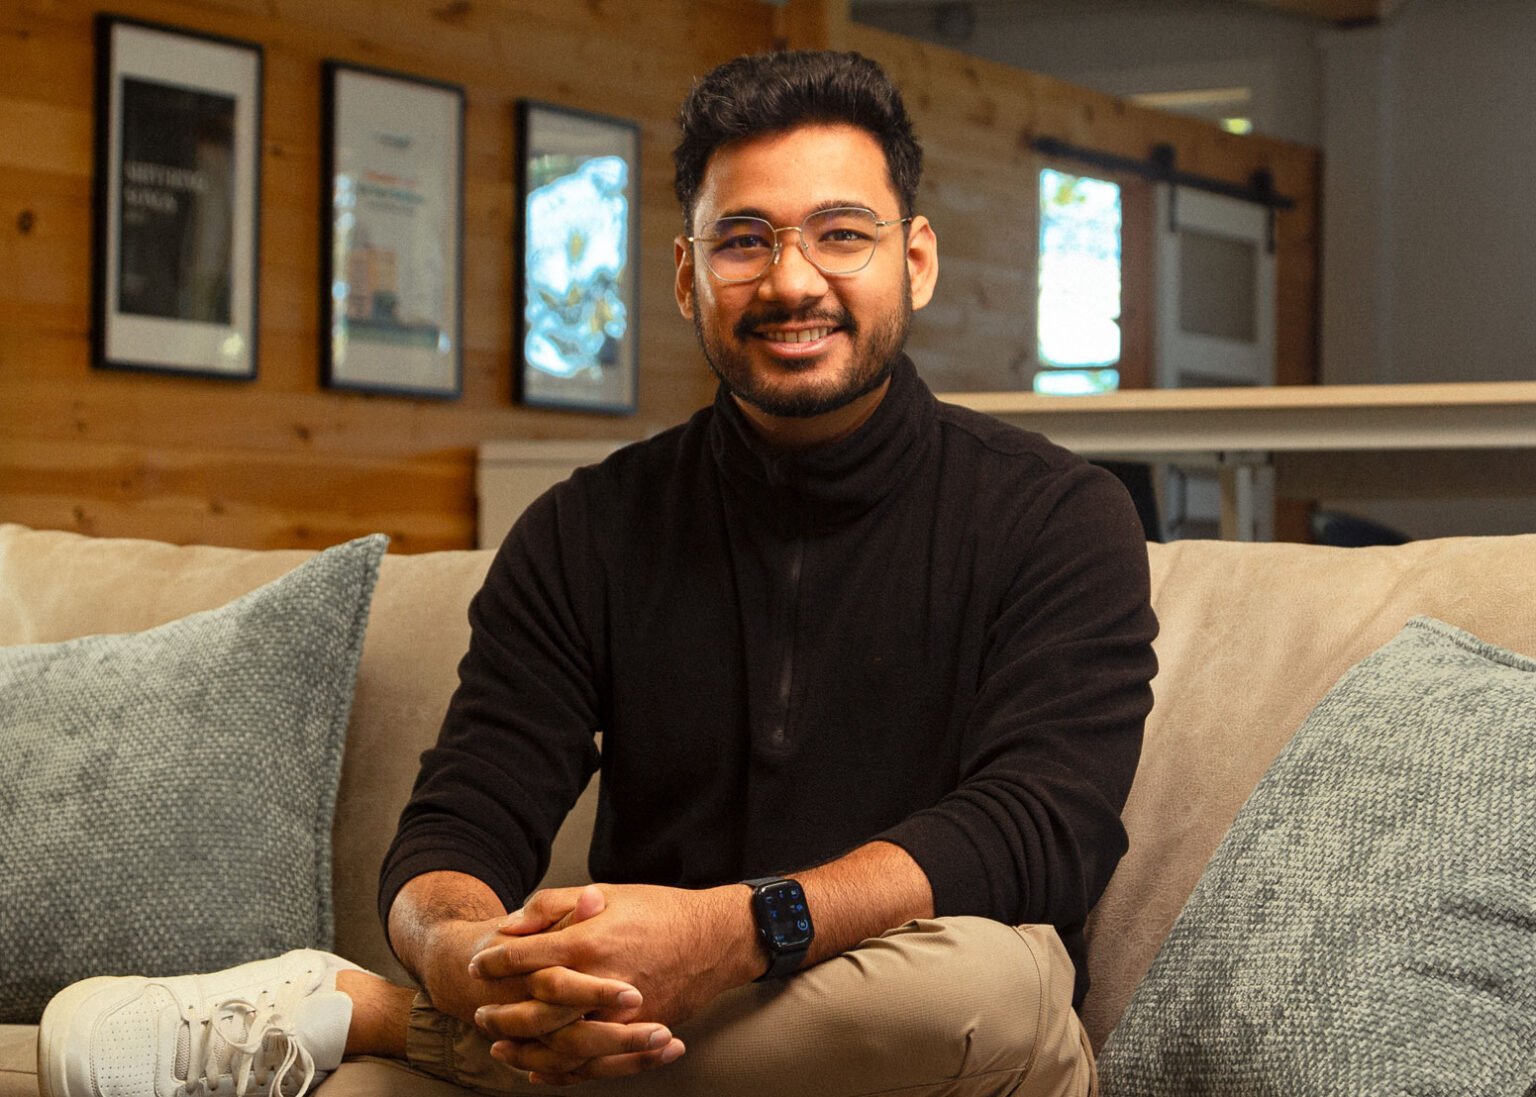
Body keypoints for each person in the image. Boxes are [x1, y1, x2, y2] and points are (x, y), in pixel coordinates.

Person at [38, 49, 1157, 1097]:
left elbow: (1041, 825)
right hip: (642, 1014)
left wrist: (730, 933)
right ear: (687, 275)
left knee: (975, 987)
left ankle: (371, 1018)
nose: (791, 280)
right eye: (744, 240)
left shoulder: (1058, 515)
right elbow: (459, 823)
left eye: (841, 235)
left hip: (927, 1034)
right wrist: (459, 951)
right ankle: (488, 1028)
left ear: (914, 260)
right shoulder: (587, 529)